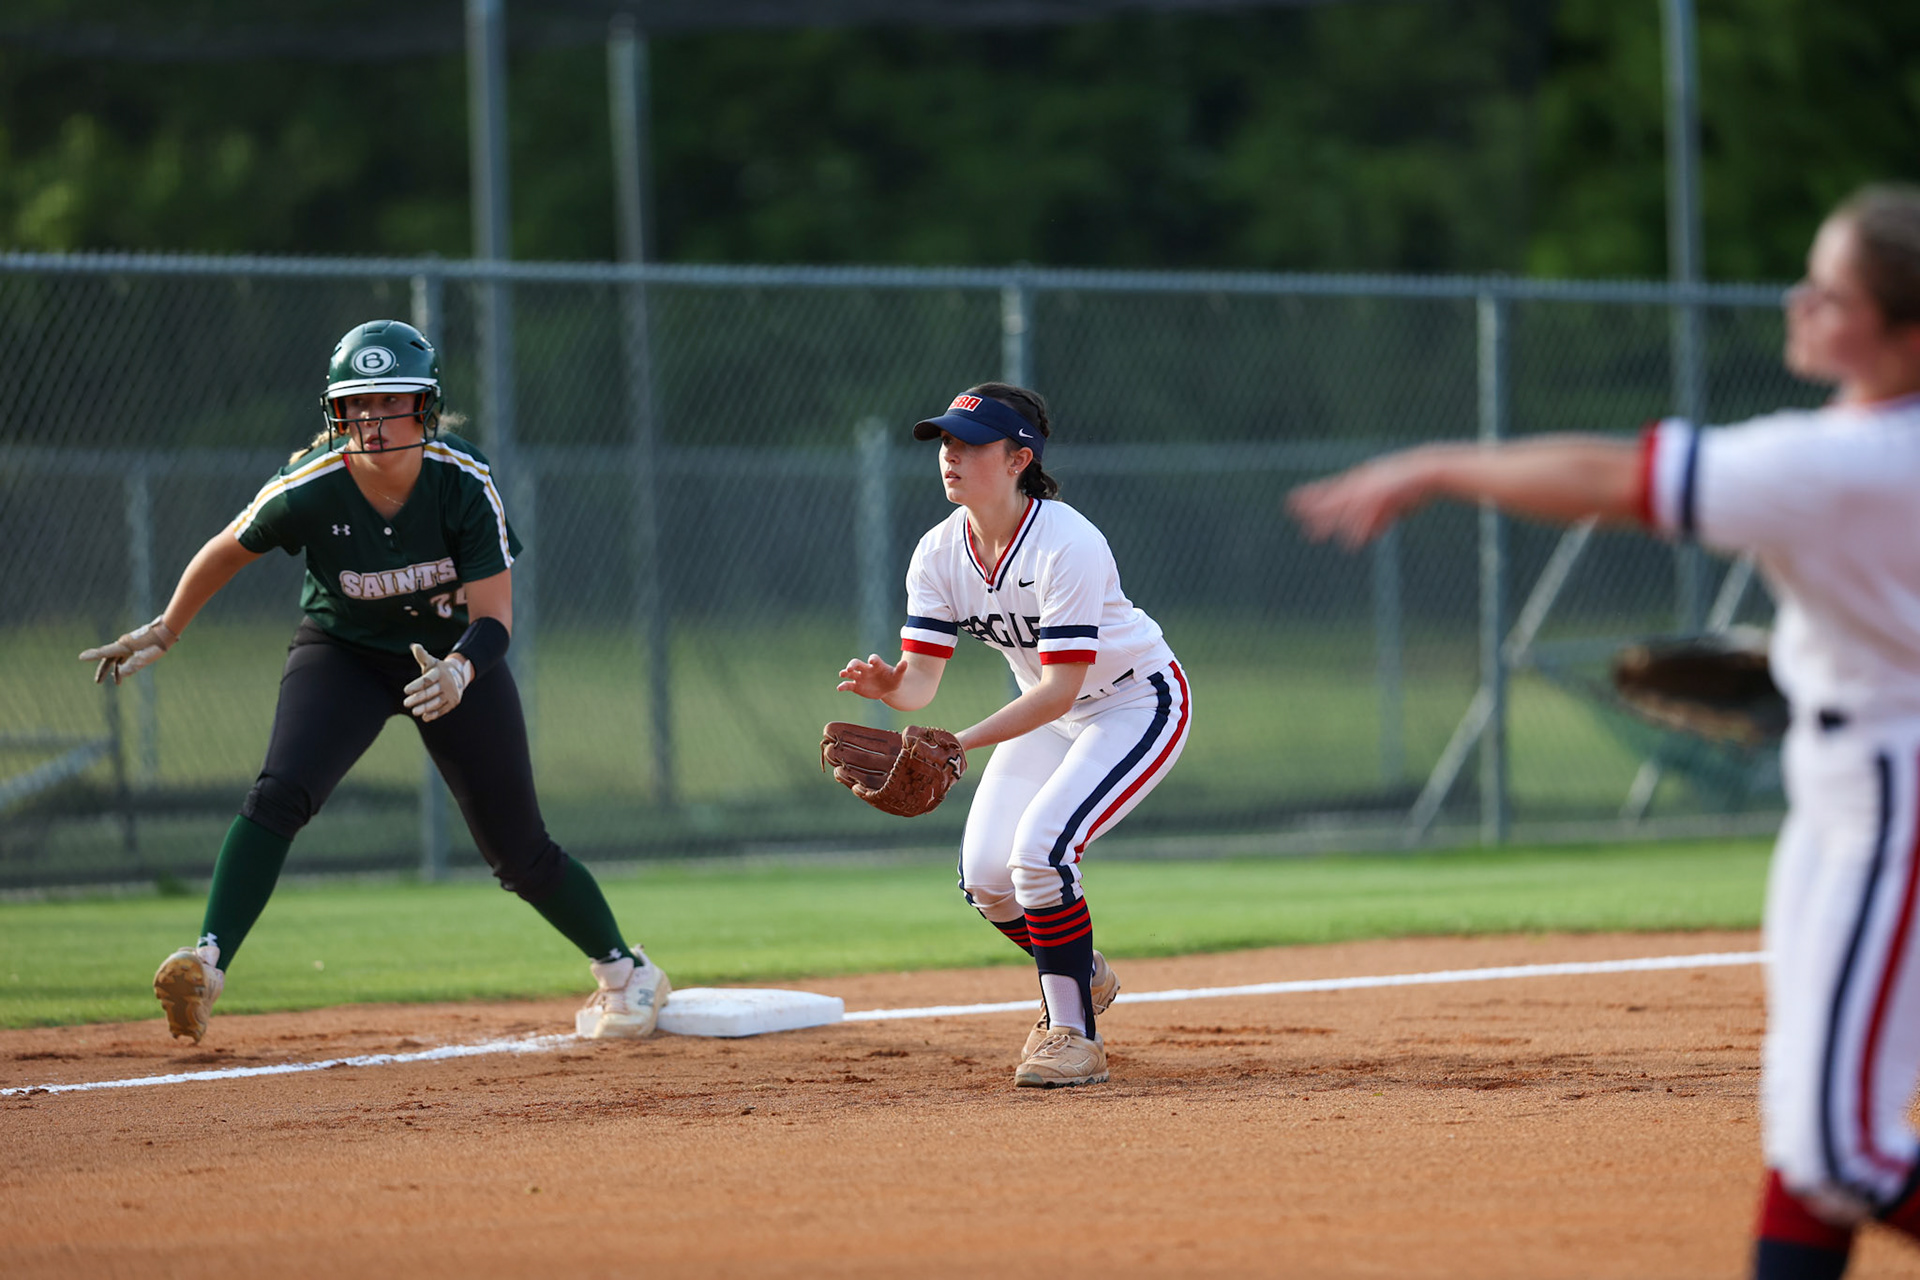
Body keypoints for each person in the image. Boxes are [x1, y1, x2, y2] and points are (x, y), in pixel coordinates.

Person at [1287, 186, 1920, 1280]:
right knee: (1801, 1121)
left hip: (1892, 787)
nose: (1800, 301)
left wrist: (1436, 463)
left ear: (1904, 333)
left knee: (1840, 1143)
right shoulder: (1862, 443)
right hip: (1840, 776)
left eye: (1833, 291)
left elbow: (1609, 476)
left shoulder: (1837, 464)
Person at [80, 320, 670, 1045]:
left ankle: (627, 972)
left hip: (452, 658)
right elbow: (229, 549)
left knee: (519, 851)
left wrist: (460, 669)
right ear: (336, 412)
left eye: (390, 402)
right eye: (357, 404)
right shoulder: (313, 482)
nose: (372, 420)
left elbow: (495, 616)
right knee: (278, 793)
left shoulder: (463, 480)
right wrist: (167, 629)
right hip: (345, 651)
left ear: (424, 408)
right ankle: (207, 962)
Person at [835, 383, 1193, 1088]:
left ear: (1018, 458)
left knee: (1040, 856)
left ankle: (1074, 1036)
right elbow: (921, 682)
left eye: (969, 444)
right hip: (1053, 714)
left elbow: (1061, 685)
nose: (950, 456)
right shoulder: (939, 553)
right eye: (945, 442)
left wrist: (957, 745)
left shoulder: (1068, 543)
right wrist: (891, 688)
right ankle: (1080, 973)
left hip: (1135, 705)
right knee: (988, 879)